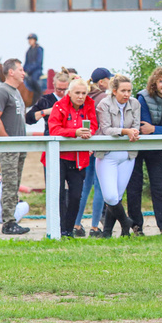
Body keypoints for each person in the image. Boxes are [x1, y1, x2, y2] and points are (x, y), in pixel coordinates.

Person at [127, 66, 162, 236]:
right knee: (134, 187)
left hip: (156, 146)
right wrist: (156, 129)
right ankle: (137, 226)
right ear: (155, 82)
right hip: (137, 145)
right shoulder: (143, 97)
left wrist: (155, 130)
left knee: (158, 187)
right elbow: (144, 127)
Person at [48, 77, 98, 237]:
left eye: (83, 93)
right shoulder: (59, 106)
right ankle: (59, 230)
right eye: (77, 92)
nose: (81, 96)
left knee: (76, 196)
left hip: (79, 158)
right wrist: (74, 133)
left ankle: (68, 230)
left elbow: (94, 125)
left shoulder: (90, 105)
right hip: (59, 158)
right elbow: (54, 129)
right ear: (69, 93)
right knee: (59, 195)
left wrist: (89, 133)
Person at [95, 74, 140, 238]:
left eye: (129, 90)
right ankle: (126, 221)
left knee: (118, 197)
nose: (127, 94)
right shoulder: (104, 104)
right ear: (114, 91)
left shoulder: (135, 103)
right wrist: (125, 131)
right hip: (107, 154)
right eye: (123, 91)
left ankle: (108, 232)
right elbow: (106, 129)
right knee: (110, 196)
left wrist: (133, 132)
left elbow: (136, 126)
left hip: (127, 155)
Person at [0, 58, 30, 235]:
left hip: (20, 146)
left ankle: (12, 219)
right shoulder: (2, 91)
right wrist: (6, 140)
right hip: (10, 147)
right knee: (10, 184)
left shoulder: (16, 92)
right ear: (11, 72)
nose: (24, 73)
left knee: (15, 184)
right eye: (20, 70)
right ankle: (8, 222)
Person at [74, 67, 111, 237]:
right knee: (99, 187)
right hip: (99, 147)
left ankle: (76, 223)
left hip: (84, 147)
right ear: (102, 82)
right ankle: (95, 226)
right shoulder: (105, 98)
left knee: (84, 187)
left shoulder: (86, 98)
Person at [24, 33, 44, 103]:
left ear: (35, 40)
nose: (29, 41)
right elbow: (26, 62)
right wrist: (23, 69)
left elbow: (38, 62)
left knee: (34, 81)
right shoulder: (28, 51)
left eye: (31, 39)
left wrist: (29, 70)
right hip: (29, 71)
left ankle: (37, 98)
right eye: (29, 40)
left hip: (36, 71)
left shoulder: (39, 49)